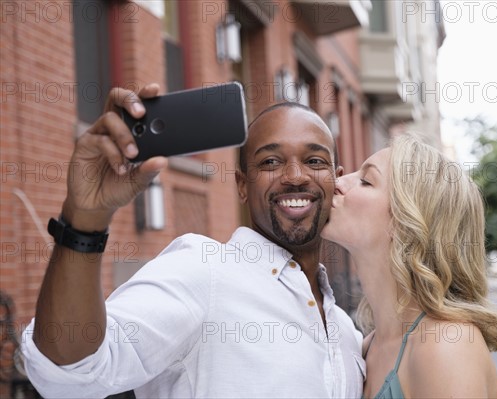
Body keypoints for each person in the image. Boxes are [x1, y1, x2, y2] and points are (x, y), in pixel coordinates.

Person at [21, 84, 365, 398]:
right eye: (271, 161)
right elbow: (70, 372)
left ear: (335, 181)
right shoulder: (204, 270)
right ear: (242, 185)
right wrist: (83, 222)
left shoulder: (346, 331)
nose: (294, 176)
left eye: (314, 160)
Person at [321, 134, 497, 399]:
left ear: (406, 222)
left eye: (365, 181)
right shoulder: (369, 347)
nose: (337, 182)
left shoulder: (446, 345)